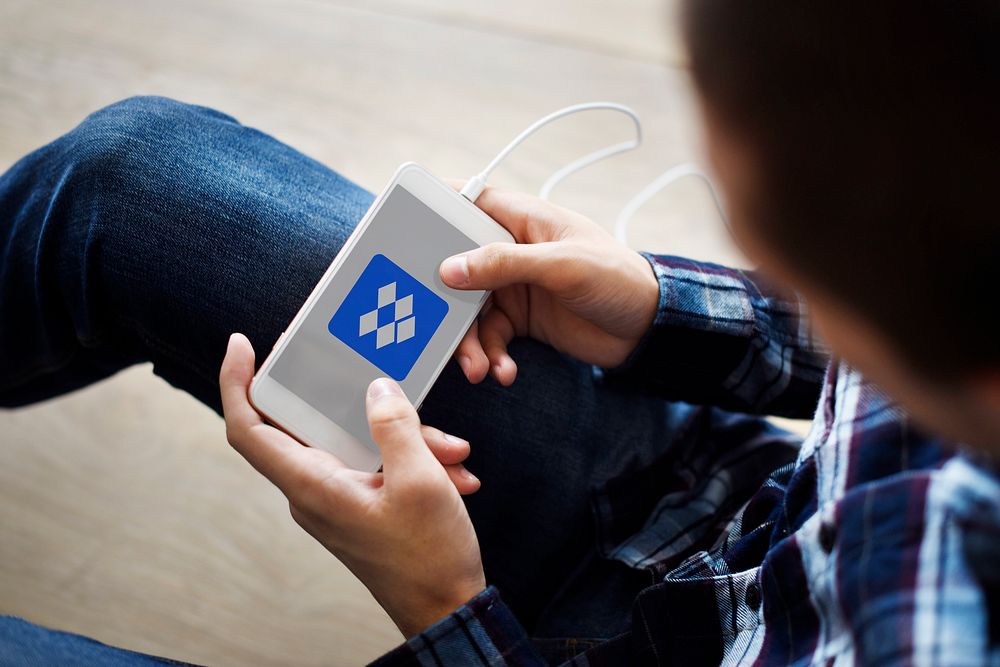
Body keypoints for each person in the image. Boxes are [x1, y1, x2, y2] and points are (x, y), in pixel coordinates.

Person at [2, 0, 999, 664]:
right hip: (719, 504)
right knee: (128, 174)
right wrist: (660, 306)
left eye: (792, 265)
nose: (770, 279)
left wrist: (445, 610)